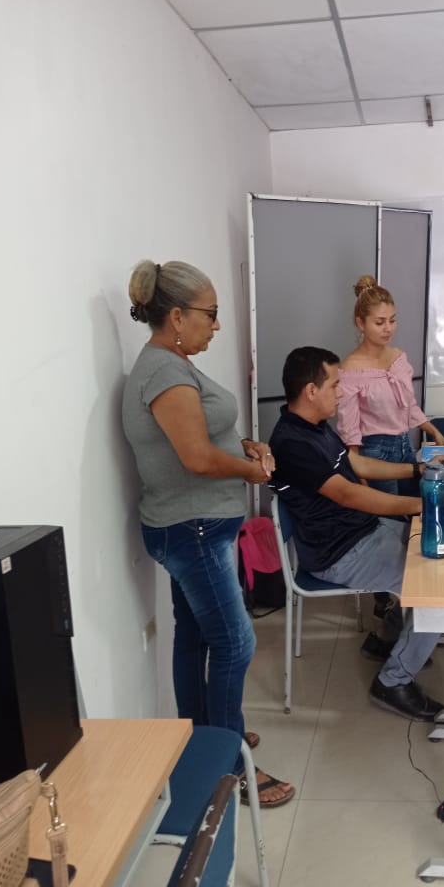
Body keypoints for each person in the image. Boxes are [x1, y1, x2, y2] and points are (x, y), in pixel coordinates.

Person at [122, 259, 294, 807]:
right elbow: (195, 456)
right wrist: (252, 472)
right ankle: (229, 769)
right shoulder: (166, 373)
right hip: (192, 529)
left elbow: (197, 436)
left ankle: (204, 739)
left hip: (188, 524)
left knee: (196, 637)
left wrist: (243, 446)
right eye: (210, 314)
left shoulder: (170, 366)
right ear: (177, 316)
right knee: (236, 643)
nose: (216, 325)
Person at [269, 346, 444, 722]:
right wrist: (423, 504)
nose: (341, 393)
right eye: (334, 385)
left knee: (433, 551)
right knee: (439, 587)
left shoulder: (314, 426)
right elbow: (350, 494)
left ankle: (387, 638)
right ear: (311, 391)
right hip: (338, 553)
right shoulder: (292, 444)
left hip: (361, 532)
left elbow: (356, 463)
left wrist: (416, 470)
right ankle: (393, 681)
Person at [337, 275, 444, 495]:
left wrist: (434, 432)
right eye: (379, 322)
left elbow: (409, 405)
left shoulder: (398, 358)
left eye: (392, 320)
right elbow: (349, 430)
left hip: (405, 445)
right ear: (360, 323)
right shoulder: (350, 370)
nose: (388, 328)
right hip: (374, 453)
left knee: (416, 504)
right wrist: (359, 474)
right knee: (392, 512)